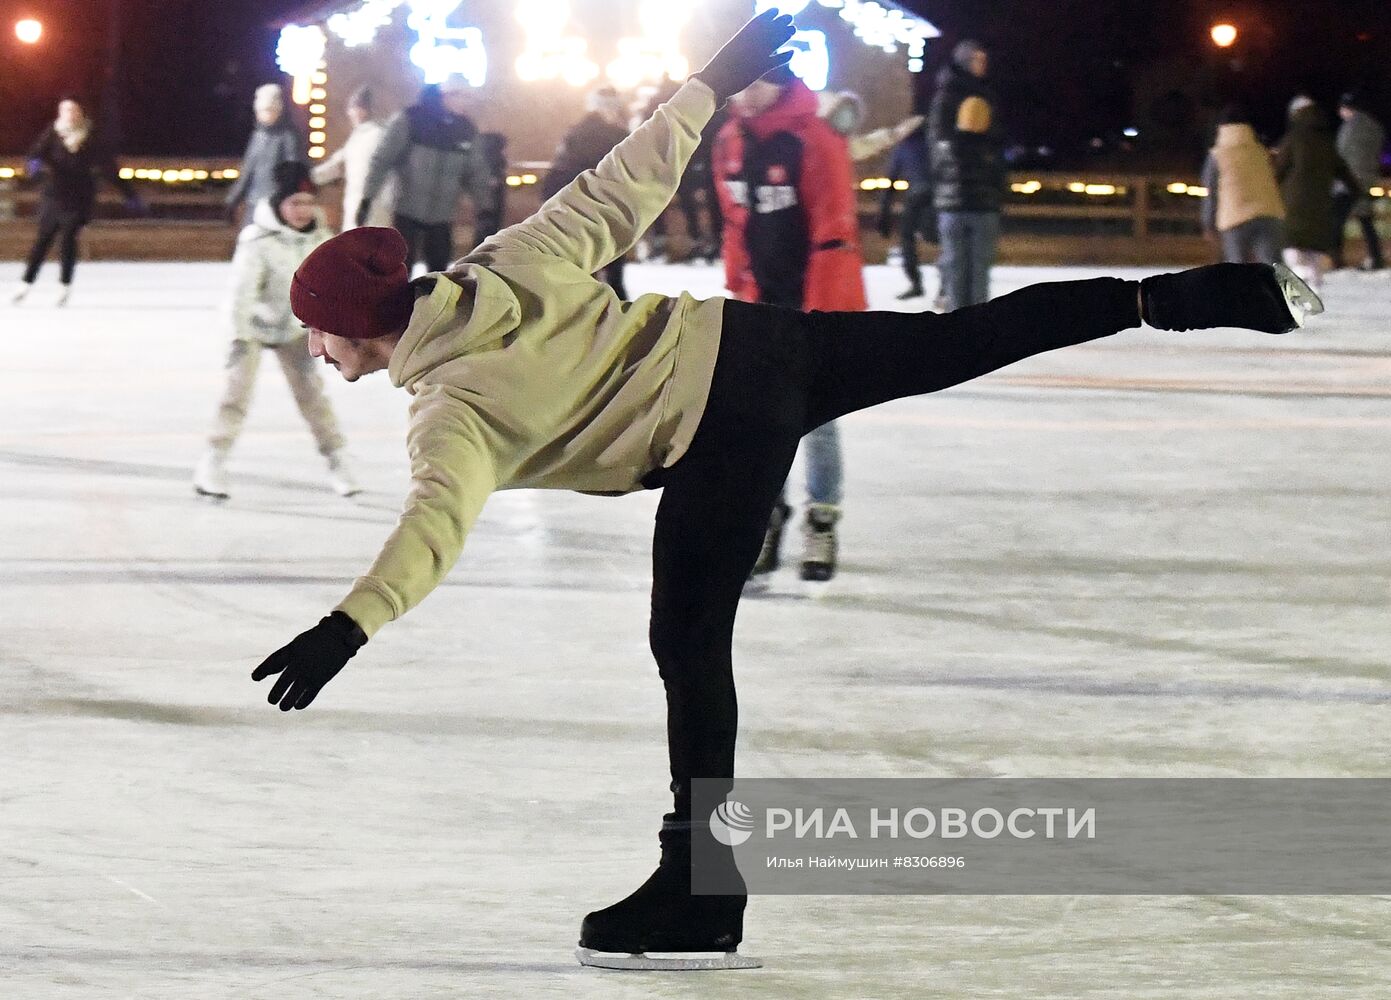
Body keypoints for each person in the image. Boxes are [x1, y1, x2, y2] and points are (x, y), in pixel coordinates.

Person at [247, 11, 1319, 971]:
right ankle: (1169, 297)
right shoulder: (502, 262)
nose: (315, 345)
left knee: (686, 643)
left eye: (317, 329)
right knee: (958, 338)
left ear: (355, 326)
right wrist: (706, 85)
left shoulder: (448, 411)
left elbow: (435, 523)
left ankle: (701, 886)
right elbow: (626, 179)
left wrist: (352, 624)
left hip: (714, 431)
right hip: (756, 346)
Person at [714, 65, 867, 582]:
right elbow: (735, 221)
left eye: (758, 84)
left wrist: (824, 312)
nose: (748, 93)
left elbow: (835, 224)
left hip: (811, 300)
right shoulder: (730, 139)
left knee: (816, 415)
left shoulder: (814, 139)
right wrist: (739, 286)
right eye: (744, 83)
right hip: (759, 303)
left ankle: (821, 520)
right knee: (759, 418)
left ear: (781, 84)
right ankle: (766, 518)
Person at [193, 162, 358, 501]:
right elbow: (242, 292)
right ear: (279, 205)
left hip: (295, 329)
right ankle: (214, 461)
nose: (301, 210)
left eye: (307, 202)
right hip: (251, 327)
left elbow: (334, 291)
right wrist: (238, 336)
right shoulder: (258, 240)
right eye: (294, 203)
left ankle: (338, 459)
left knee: (312, 395)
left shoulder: (323, 241)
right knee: (236, 395)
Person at [11, 97, 143, 307]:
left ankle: (64, 286)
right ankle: (25, 284)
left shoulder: (91, 136)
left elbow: (109, 168)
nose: (69, 114)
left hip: (79, 197)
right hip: (54, 195)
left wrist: (129, 194)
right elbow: (35, 154)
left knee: (68, 238)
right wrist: (33, 165)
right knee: (44, 239)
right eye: (65, 110)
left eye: (73, 110)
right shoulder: (53, 133)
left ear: (80, 113)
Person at [357, 74, 491, 274]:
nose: (467, 104)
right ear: (447, 95)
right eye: (464, 97)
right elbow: (382, 160)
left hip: (443, 215)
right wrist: (367, 198)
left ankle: (432, 304)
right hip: (407, 209)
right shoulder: (410, 119)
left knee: (439, 272)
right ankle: (398, 304)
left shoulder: (466, 130)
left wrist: (484, 207)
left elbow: (476, 172)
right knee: (401, 267)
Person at [929, 39, 1006, 311]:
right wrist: (974, 150)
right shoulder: (946, 98)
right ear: (965, 61)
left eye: (984, 60)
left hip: (983, 200)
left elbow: (998, 146)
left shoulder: (987, 97)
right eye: (977, 60)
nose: (983, 65)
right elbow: (939, 148)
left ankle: (977, 328)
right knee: (955, 266)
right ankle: (957, 328)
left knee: (979, 270)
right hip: (955, 200)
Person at [543, 86, 632, 298]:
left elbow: (558, 172)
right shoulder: (618, 136)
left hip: (576, 207)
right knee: (613, 267)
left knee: (584, 265)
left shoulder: (574, 133)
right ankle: (615, 314)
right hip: (608, 208)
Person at [1274, 95, 1359, 293]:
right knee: (1315, 245)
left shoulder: (1292, 139)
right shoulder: (1326, 142)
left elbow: (1278, 171)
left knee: (1292, 242)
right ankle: (1315, 282)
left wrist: (1269, 191)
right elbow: (1343, 170)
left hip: (1293, 202)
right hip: (1321, 203)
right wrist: (1356, 191)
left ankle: (1300, 272)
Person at [1200, 105, 1286, 264]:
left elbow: (1211, 192)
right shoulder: (1260, 151)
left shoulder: (1217, 155)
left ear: (1220, 128)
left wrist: (1208, 223)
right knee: (1272, 267)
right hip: (1268, 212)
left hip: (1234, 216)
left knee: (1238, 267)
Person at [311, 85, 396, 231]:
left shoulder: (371, 136)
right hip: (367, 206)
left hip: (370, 206)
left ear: (361, 110)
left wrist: (308, 178)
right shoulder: (362, 136)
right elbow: (337, 165)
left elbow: (336, 166)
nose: (349, 113)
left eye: (352, 109)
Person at [225, 84, 306, 226]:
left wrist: (285, 198)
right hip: (254, 203)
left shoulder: (288, 137)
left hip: (276, 205)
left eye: (269, 110)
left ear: (278, 111)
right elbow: (248, 171)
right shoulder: (258, 137)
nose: (265, 115)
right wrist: (233, 199)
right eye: (262, 111)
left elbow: (292, 170)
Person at [878, 120, 940, 300]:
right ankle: (945, 285)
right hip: (937, 196)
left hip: (916, 196)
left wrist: (884, 214)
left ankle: (916, 283)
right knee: (941, 239)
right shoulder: (935, 143)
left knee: (907, 237)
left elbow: (890, 183)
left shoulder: (902, 148)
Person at [1332, 91, 1385, 271]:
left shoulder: (1349, 129)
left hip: (1349, 182)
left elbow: (1341, 153)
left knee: (1336, 221)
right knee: (1365, 219)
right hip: (1368, 179)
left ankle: (1336, 260)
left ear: (1347, 109)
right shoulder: (1375, 127)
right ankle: (1376, 258)